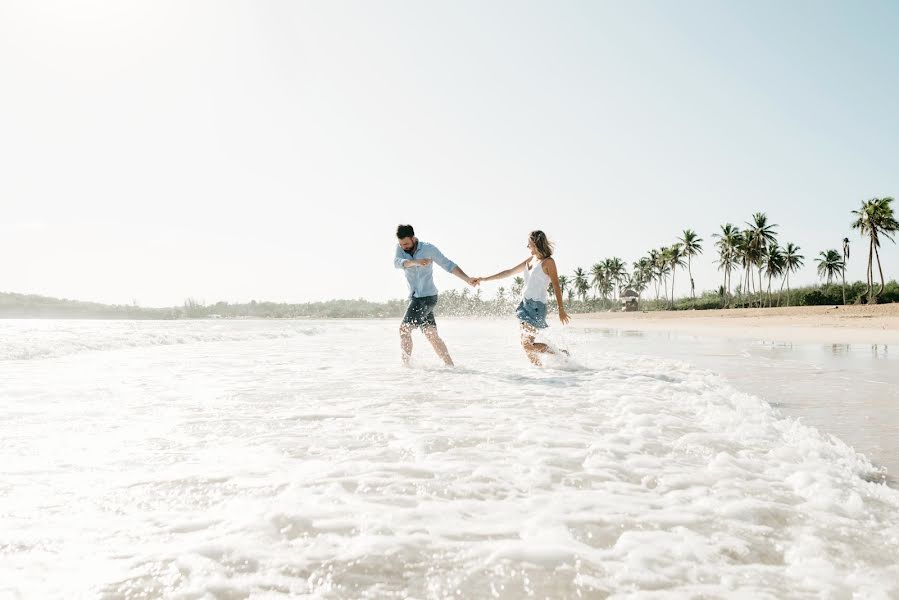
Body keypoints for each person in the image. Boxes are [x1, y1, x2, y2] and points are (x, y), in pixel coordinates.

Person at [474, 230, 570, 365]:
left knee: (527, 345)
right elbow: (509, 272)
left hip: (536, 307)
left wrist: (561, 309)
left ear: (536, 244)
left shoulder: (548, 262)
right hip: (524, 306)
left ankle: (560, 353)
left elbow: (556, 286)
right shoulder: (531, 260)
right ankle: (539, 370)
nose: (527, 247)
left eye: (529, 244)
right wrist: (484, 279)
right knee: (526, 345)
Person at [394, 224, 477, 366]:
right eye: (401, 244)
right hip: (416, 297)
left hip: (426, 297)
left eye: (407, 243)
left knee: (404, 329)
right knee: (431, 335)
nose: (404, 247)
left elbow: (448, 265)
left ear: (414, 238)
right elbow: (397, 263)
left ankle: (405, 368)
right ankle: (450, 366)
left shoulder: (428, 249)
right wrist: (416, 262)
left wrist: (467, 278)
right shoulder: (400, 248)